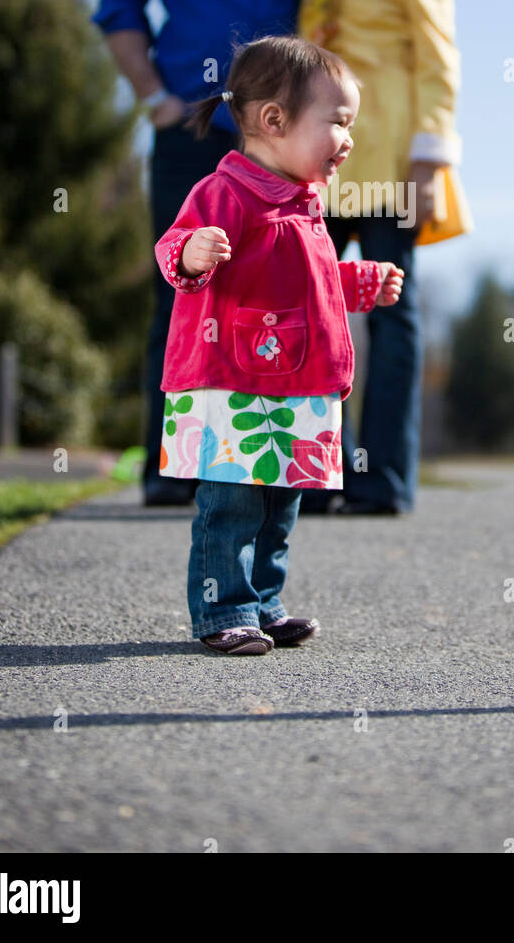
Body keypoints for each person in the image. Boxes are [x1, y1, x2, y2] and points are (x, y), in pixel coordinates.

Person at [92, 0, 452, 506]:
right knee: (186, 283)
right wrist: (153, 96)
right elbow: (119, 5)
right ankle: (176, 466)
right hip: (194, 125)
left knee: (293, 293)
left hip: (290, 141)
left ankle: (287, 465)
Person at [154, 36, 403, 654]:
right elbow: (172, 251)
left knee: (279, 507)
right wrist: (191, 251)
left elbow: (308, 285)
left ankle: (263, 603)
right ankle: (222, 611)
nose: (347, 139)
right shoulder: (225, 194)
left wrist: (360, 282)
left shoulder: (306, 206)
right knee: (234, 501)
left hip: (293, 382)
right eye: (337, 123)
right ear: (274, 121)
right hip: (232, 380)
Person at [297, 0, 473, 516]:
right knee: (312, 305)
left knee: (391, 312)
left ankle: (385, 478)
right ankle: (317, 470)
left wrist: (431, 158)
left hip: (391, 159)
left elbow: (438, 58)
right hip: (324, 162)